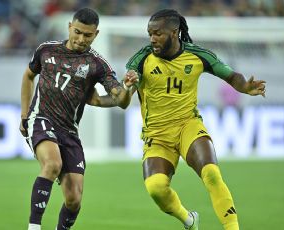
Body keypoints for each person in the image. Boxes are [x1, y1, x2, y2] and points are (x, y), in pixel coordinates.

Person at [93, 9, 266, 230]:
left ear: (174, 33)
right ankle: (188, 220)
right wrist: (127, 86)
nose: (152, 39)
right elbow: (124, 103)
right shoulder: (141, 59)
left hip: (188, 126)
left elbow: (231, 75)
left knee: (211, 173)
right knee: (156, 188)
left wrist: (245, 87)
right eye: (150, 33)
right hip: (157, 135)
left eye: (158, 33)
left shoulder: (197, 55)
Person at [19, 8, 138, 230]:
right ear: (69, 27)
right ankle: (33, 226)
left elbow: (119, 101)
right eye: (78, 32)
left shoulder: (97, 65)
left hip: (69, 131)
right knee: (52, 163)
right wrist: (25, 114)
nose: (81, 39)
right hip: (41, 118)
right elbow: (28, 75)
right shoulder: (46, 51)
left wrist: (128, 89)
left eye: (87, 35)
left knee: (74, 199)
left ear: (96, 34)